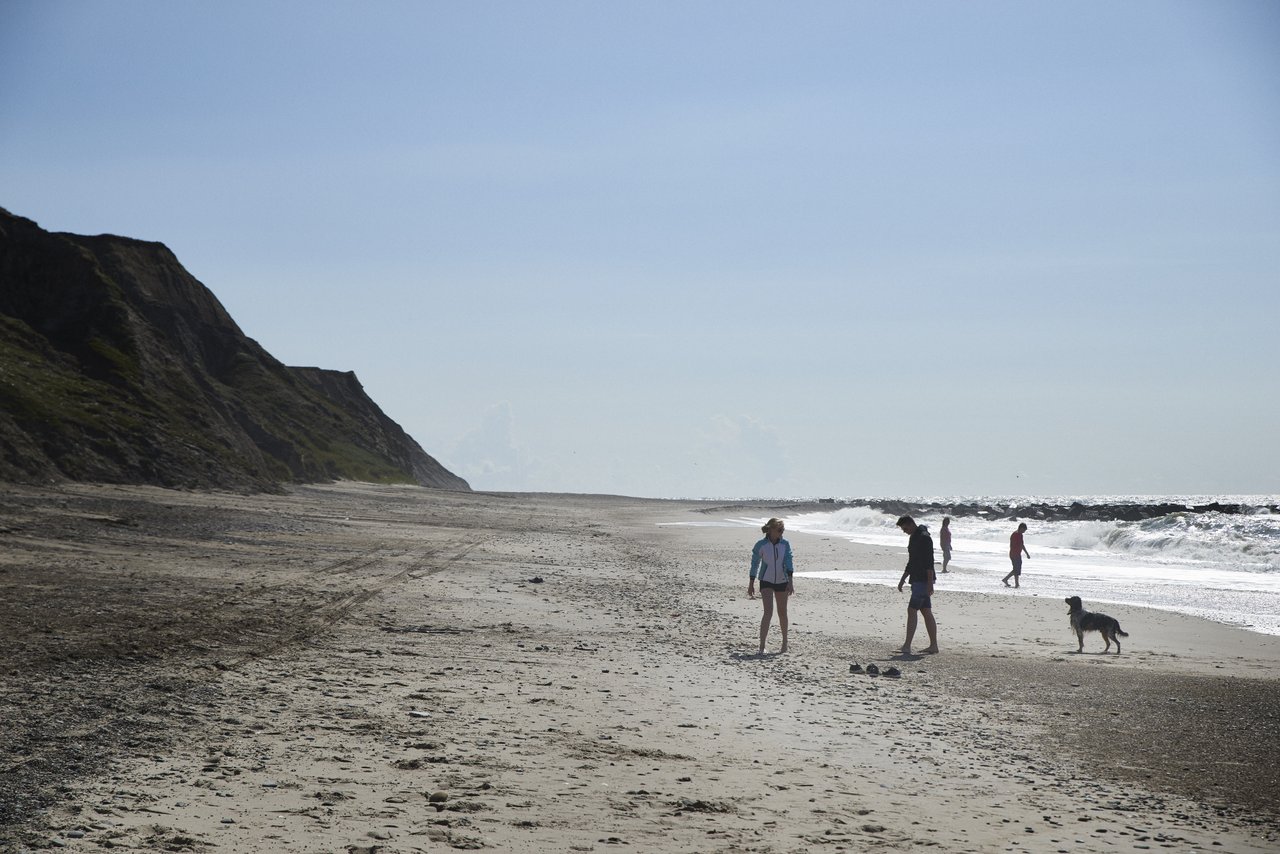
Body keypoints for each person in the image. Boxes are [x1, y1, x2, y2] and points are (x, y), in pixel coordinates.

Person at [748, 518, 794, 654]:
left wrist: (790, 581)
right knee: (768, 612)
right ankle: (762, 646)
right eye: (780, 530)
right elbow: (755, 564)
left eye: (783, 530)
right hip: (766, 581)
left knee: (782, 612)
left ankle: (785, 643)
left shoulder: (785, 544)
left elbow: (789, 562)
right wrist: (751, 583)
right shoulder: (761, 545)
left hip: (782, 580)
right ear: (771, 530)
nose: (782, 532)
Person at [895, 515, 938, 654]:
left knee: (912, 610)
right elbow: (912, 560)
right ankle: (933, 646)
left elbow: (929, 562)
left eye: (905, 528)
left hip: (923, 580)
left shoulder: (924, 537)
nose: (904, 531)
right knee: (926, 611)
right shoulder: (913, 537)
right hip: (916, 579)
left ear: (911, 523)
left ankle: (907, 645)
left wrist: (930, 583)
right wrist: (903, 578)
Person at [1002, 522, 1030, 587]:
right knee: (1016, 569)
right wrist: (1026, 553)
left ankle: (1015, 583)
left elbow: (1020, 545)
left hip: (1015, 554)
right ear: (1021, 528)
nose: (1024, 531)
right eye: (1024, 530)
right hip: (1015, 554)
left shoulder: (1018, 534)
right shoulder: (1017, 534)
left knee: (1016, 569)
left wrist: (1026, 553)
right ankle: (1008, 580)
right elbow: (1019, 545)